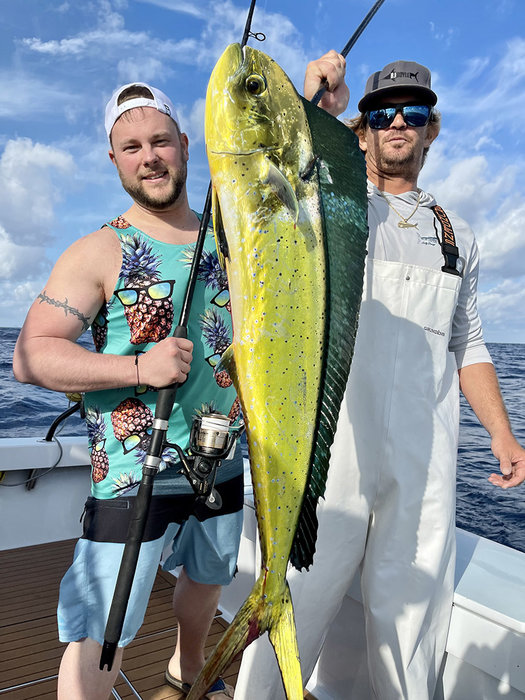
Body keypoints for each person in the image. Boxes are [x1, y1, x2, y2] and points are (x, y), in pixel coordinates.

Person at [12, 52, 348, 700]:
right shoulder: (98, 250)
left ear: (186, 145)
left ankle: (185, 670)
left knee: (206, 580)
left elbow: (279, 187)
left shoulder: (232, 235)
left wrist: (305, 110)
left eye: (160, 139)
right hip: (132, 475)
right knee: (101, 628)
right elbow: (31, 354)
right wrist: (138, 366)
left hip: (221, 462)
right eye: (131, 146)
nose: (150, 156)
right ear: (114, 160)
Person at [233, 60, 525, 699]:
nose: (398, 122)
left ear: (431, 132)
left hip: (422, 463)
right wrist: (321, 109)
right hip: (328, 455)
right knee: (297, 596)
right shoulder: (328, 205)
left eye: (414, 113)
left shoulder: (458, 234)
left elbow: (467, 342)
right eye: (382, 113)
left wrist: (502, 434)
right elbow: (277, 179)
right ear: (361, 131)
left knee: (410, 627)